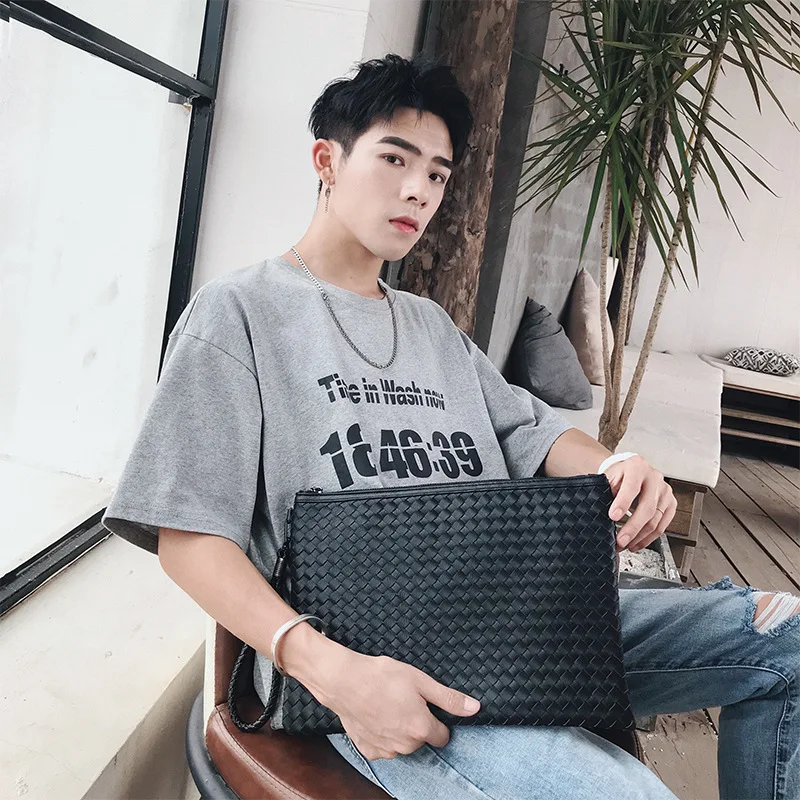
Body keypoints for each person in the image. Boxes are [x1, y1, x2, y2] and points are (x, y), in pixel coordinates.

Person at [101, 54, 800, 800]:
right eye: (394, 159)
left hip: (513, 619)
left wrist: (615, 466)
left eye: (437, 174)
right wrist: (333, 673)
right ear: (327, 161)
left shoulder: (431, 327)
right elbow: (187, 538)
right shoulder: (240, 314)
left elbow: (534, 434)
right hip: (376, 662)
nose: (419, 190)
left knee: (787, 635)